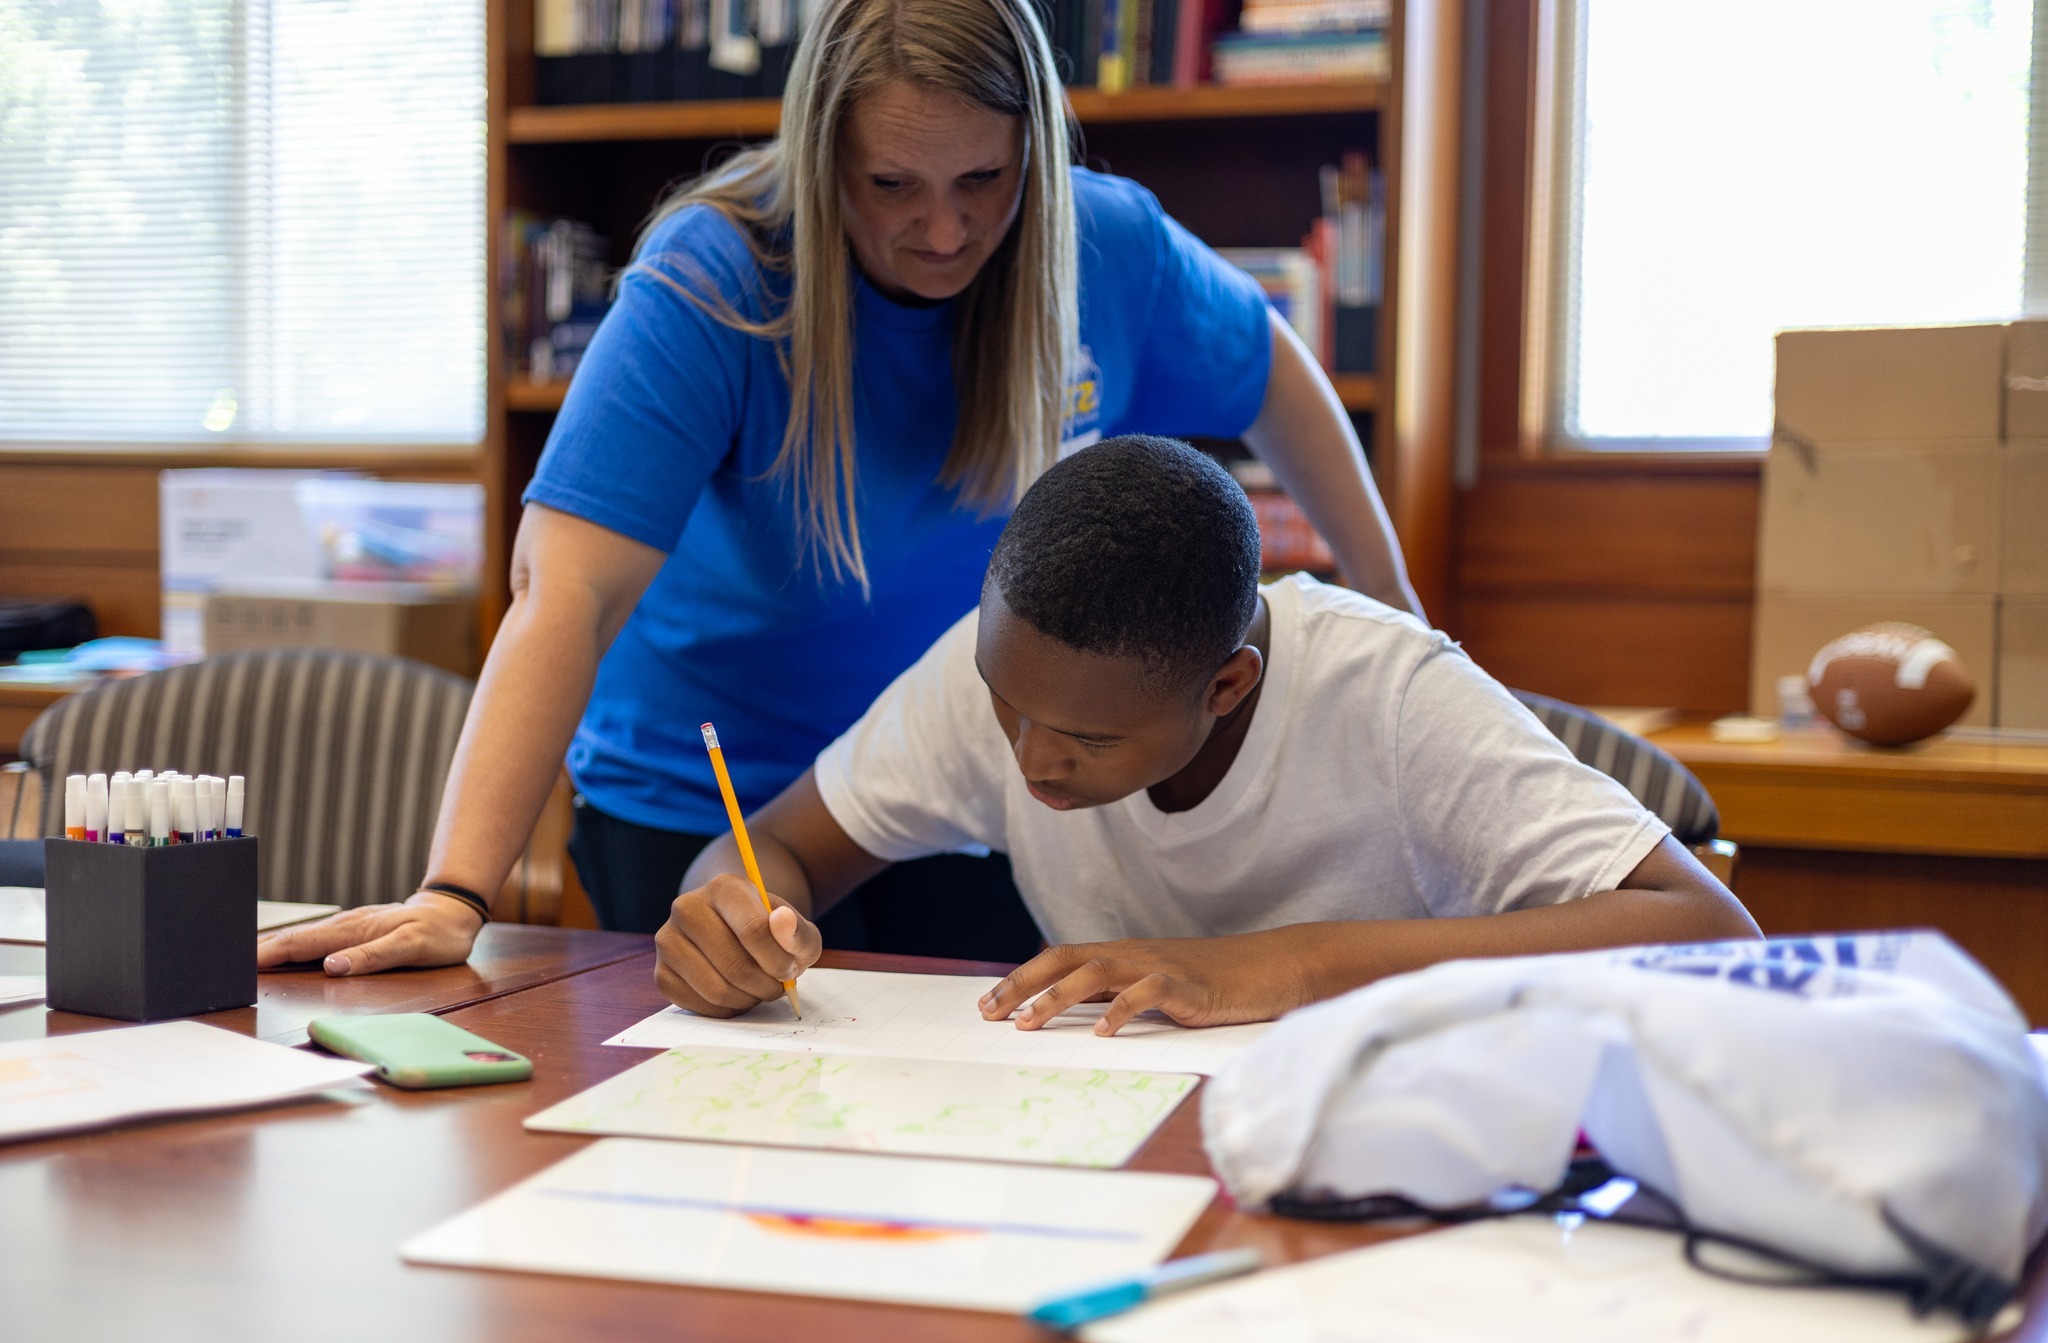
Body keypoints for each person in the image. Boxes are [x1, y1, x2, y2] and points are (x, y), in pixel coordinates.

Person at [258, 0, 1421, 978]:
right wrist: (457, 890)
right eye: (892, 184)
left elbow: (1274, 373)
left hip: (967, 783)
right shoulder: (712, 281)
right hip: (707, 788)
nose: (944, 228)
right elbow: (563, 595)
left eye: (983, 178)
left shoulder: (1103, 246)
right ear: (823, 161)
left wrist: (1389, 596)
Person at [654, 436, 1758, 1032]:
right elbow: (773, 847)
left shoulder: (1393, 697)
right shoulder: (993, 667)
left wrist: (1283, 964)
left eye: (1087, 738)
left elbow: (1711, 938)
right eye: (1011, 708)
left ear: (1227, 688)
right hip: (1131, 1146)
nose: (1031, 758)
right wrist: (731, 912)